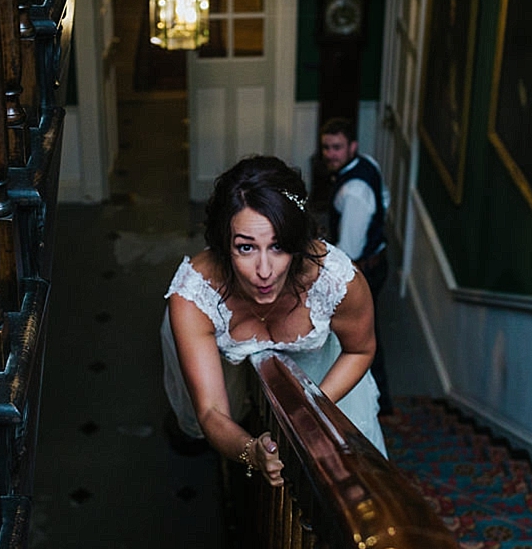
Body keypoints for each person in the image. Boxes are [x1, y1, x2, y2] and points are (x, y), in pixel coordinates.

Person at [160, 155, 388, 487]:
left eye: (279, 246)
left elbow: (360, 351)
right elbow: (211, 412)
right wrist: (250, 452)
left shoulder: (338, 282)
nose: (265, 272)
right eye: (246, 248)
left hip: (329, 380)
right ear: (224, 244)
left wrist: (309, 411)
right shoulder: (194, 296)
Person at [318, 117, 393, 415]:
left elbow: (347, 253)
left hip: (366, 269)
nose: (330, 154)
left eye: (337, 148)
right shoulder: (368, 163)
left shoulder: (353, 192)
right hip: (379, 256)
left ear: (352, 146)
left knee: (361, 338)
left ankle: (377, 402)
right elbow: (384, 200)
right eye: (326, 147)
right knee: (369, 333)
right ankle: (381, 400)